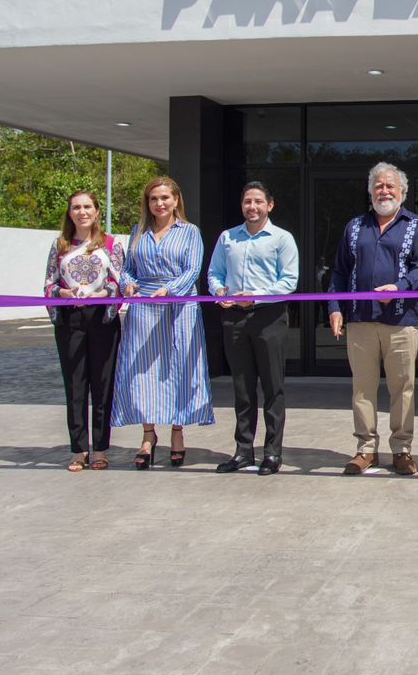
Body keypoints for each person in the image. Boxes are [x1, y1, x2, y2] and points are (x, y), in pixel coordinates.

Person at [327, 162, 418, 476]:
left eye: (390, 186)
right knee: (362, 388)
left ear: (402, 192)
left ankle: (401, 449)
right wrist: (335, 307)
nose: (384, 191)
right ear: (370, 191)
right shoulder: (355, 227)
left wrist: (400, 288)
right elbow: (339, 270)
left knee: (403, 388)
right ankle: (366, 449)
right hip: (360, 318)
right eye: (378, 186)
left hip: (401, 319)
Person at [112, 176, 212, 469]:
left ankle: (178, 432)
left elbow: (193, 269)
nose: (159, 204)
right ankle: (148, 435)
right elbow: (127, 270)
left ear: (176, 200)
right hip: (144, 307)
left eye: (165, 198)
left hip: (178, 307)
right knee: (143, 372)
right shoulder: (138, 231)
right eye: (154, 199)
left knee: (178, 367)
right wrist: (128, 285)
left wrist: (170, 290)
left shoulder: (190, 232)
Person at [209, 181, 299, 477]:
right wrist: (219, 291)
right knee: (242, 390)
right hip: (234, 319)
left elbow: (289, 281)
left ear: (269, 205)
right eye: (247, 201)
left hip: (268, 318)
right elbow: (215, 273)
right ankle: (242, 451)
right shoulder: (227, 238)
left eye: (258, 201)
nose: (252, 207)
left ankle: (272, 453)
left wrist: (255, 298)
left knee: (273, 388)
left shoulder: (281, 239)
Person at [42, 191, 125, 472]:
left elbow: (120, 283)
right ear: (69, 212)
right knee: (76, 386)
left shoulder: (111, 244)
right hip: (70, 319)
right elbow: (48, 285)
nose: (82, 212)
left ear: (97, 211)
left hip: (102, 318)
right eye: (76, 207)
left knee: (103, 385)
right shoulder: (61, 245)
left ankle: (101, 448)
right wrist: (63, 293)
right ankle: (78, 449)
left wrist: (104, 293)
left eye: (87, 206)